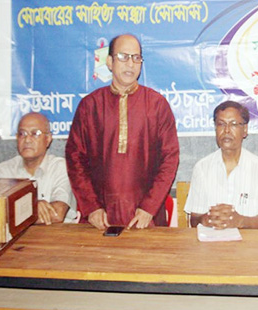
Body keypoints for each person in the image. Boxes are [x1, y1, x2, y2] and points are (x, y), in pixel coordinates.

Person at [66, 33, 179, 230]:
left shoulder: (157, 105)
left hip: (144, 219)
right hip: (100, 220)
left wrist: (149, 208)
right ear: (109, 62)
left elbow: (169, 159)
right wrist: (91, 207)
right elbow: (75, 159)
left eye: (136, 58)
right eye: (123, 57)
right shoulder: (90, 106)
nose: (131, 64)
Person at [185, 101, 258, 229]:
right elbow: (194, 220)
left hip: (247, 245)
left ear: (245, 130)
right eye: (221, 124)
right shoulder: (202, 168)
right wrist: (207, 219)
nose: (226, 130)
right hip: (210, 244)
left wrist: (239, 221)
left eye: (233, 124)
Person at [0, 112, 77, 224]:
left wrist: (17, 212)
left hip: (56, 238)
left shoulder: (61, 167)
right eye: (22, 133)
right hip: (16, 240)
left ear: (48, 139)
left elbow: (57, 214)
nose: (27, 140)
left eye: (35, 133)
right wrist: (32, 207)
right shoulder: (3, 171)